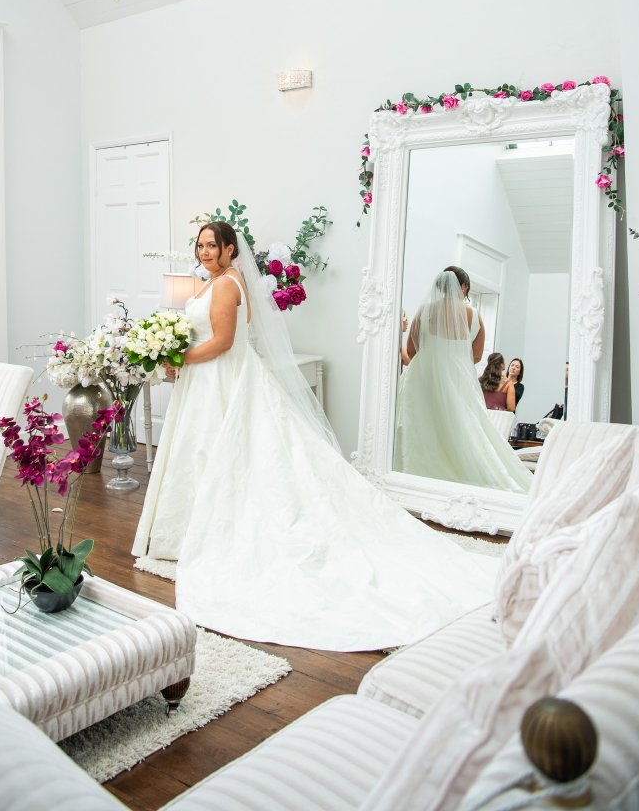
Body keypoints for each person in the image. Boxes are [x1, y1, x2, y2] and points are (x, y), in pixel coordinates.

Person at [132, 224, 497, 652]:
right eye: (200, 245)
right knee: (206, 452)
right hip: (206, 382)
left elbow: (224, 342)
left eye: (213, 245)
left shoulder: (228, 285)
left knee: (225, 453)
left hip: (222, 377)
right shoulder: (207, 283)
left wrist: (177, 357)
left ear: (231, 249)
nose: (205, 251)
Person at [394, 270, 531, 493]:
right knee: (461, 429)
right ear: (464, 287)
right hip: (457, 380)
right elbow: (476, 357)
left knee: (418, 426)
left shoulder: (423, 311)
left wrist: (433, 354)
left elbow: (411, 350)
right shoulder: (474, 316)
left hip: (421, 380)